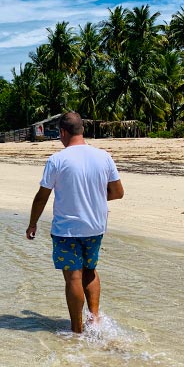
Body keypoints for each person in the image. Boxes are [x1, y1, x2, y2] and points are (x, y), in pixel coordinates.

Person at [26, 112, 124, 333]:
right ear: (82, 130)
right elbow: (117, 192)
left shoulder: (57, 160)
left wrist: (32, 224)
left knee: (73, 276)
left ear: (62, 132)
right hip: (95, 226)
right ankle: (95, 319)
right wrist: (93, 196)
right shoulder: (103, 156)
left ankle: (77, 330)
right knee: (90, 270)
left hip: (67, 229)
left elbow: (42, 196)